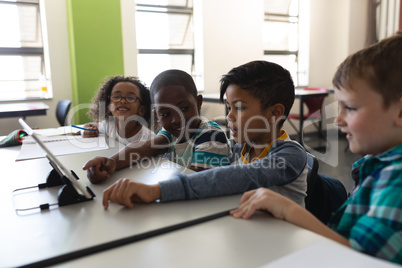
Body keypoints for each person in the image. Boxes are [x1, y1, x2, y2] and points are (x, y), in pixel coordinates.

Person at [230, 33, 402, 265]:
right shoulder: (376, 167)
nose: (337, 119)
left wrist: (288, 210)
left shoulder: (396, 180)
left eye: (350, 107)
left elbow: (360, 261)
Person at [100, 60, 308, 210]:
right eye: (228, 107)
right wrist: (111, 162)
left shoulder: (289, 155)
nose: (229, 117)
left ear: (274, 113)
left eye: (240, 108)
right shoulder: (239, 149)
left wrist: (156, 191)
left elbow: (237, 178)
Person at [83, 69, 231, 180]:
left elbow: (197, 180)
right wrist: (111, 163)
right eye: (166, 114)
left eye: (184, 108)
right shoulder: (170, 134)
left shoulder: (210, 136)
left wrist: (148, 190)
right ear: (157, 116)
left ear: (198, 102)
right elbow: (144, 147)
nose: (176, 120)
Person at [82, 75, 155, 145]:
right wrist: (89, 130)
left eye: (131, 98)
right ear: (108, 107)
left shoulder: (149, 138)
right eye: (116, 97)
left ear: (141, 110)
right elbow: (90, 125)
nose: (122, 101)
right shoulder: (108, 126)